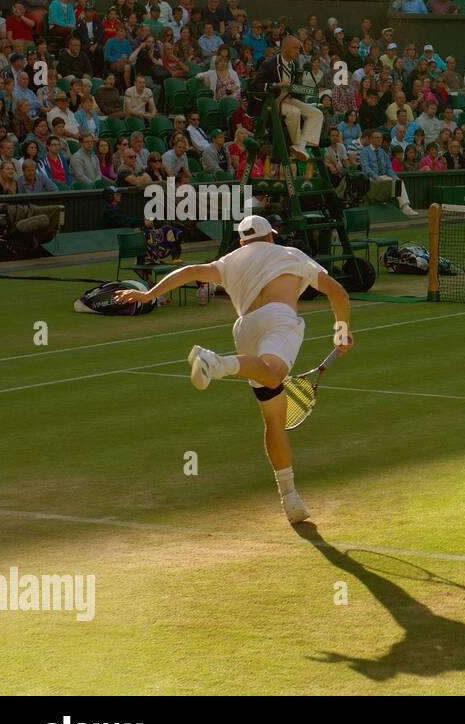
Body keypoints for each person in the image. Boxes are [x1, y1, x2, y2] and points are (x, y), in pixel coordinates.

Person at [112, 215, 354, 524]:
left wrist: (147, 295)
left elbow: (189, 271)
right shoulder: (292, 254)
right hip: (279, 319)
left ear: (242, 242)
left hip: (245, 330)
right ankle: (220, 363)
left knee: (273, 418)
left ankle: (290, 499)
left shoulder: (228, 260)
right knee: (275, 373)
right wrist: (342, 331)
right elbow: (339, 293)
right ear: (271, 237)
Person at [250, 36, 323, 162]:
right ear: (285, 48)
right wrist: (276, 85)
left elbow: (292, 87)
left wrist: (305, 90)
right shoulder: (269, 64)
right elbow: (254, 85)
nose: (297, 51)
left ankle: (301, 146)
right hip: (271, 101)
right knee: (294, 112)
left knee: (317, 113)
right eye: (295, 48)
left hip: (286, 98)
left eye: (299, 49)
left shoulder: (294, 64)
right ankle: (297, 145)